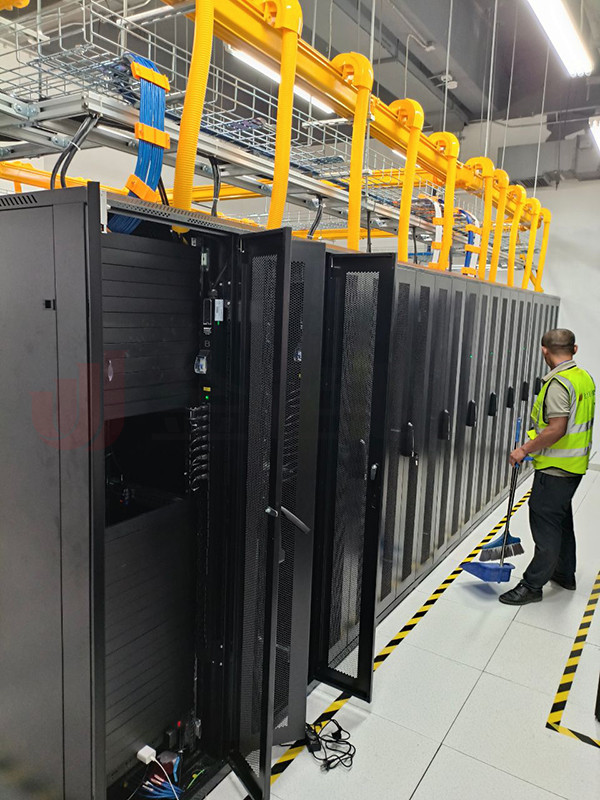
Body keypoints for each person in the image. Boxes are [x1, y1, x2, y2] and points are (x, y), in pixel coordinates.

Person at [499, 328, 595, 606]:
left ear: (544, 350)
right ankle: (564, 574)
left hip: (556, 468)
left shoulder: (558, 384)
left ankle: (532, 585)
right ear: (574, 349)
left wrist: (524, 449)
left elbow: (557, 429)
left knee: (545, 526)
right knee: (560, 520)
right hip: (574, 465)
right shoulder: (583, 377)